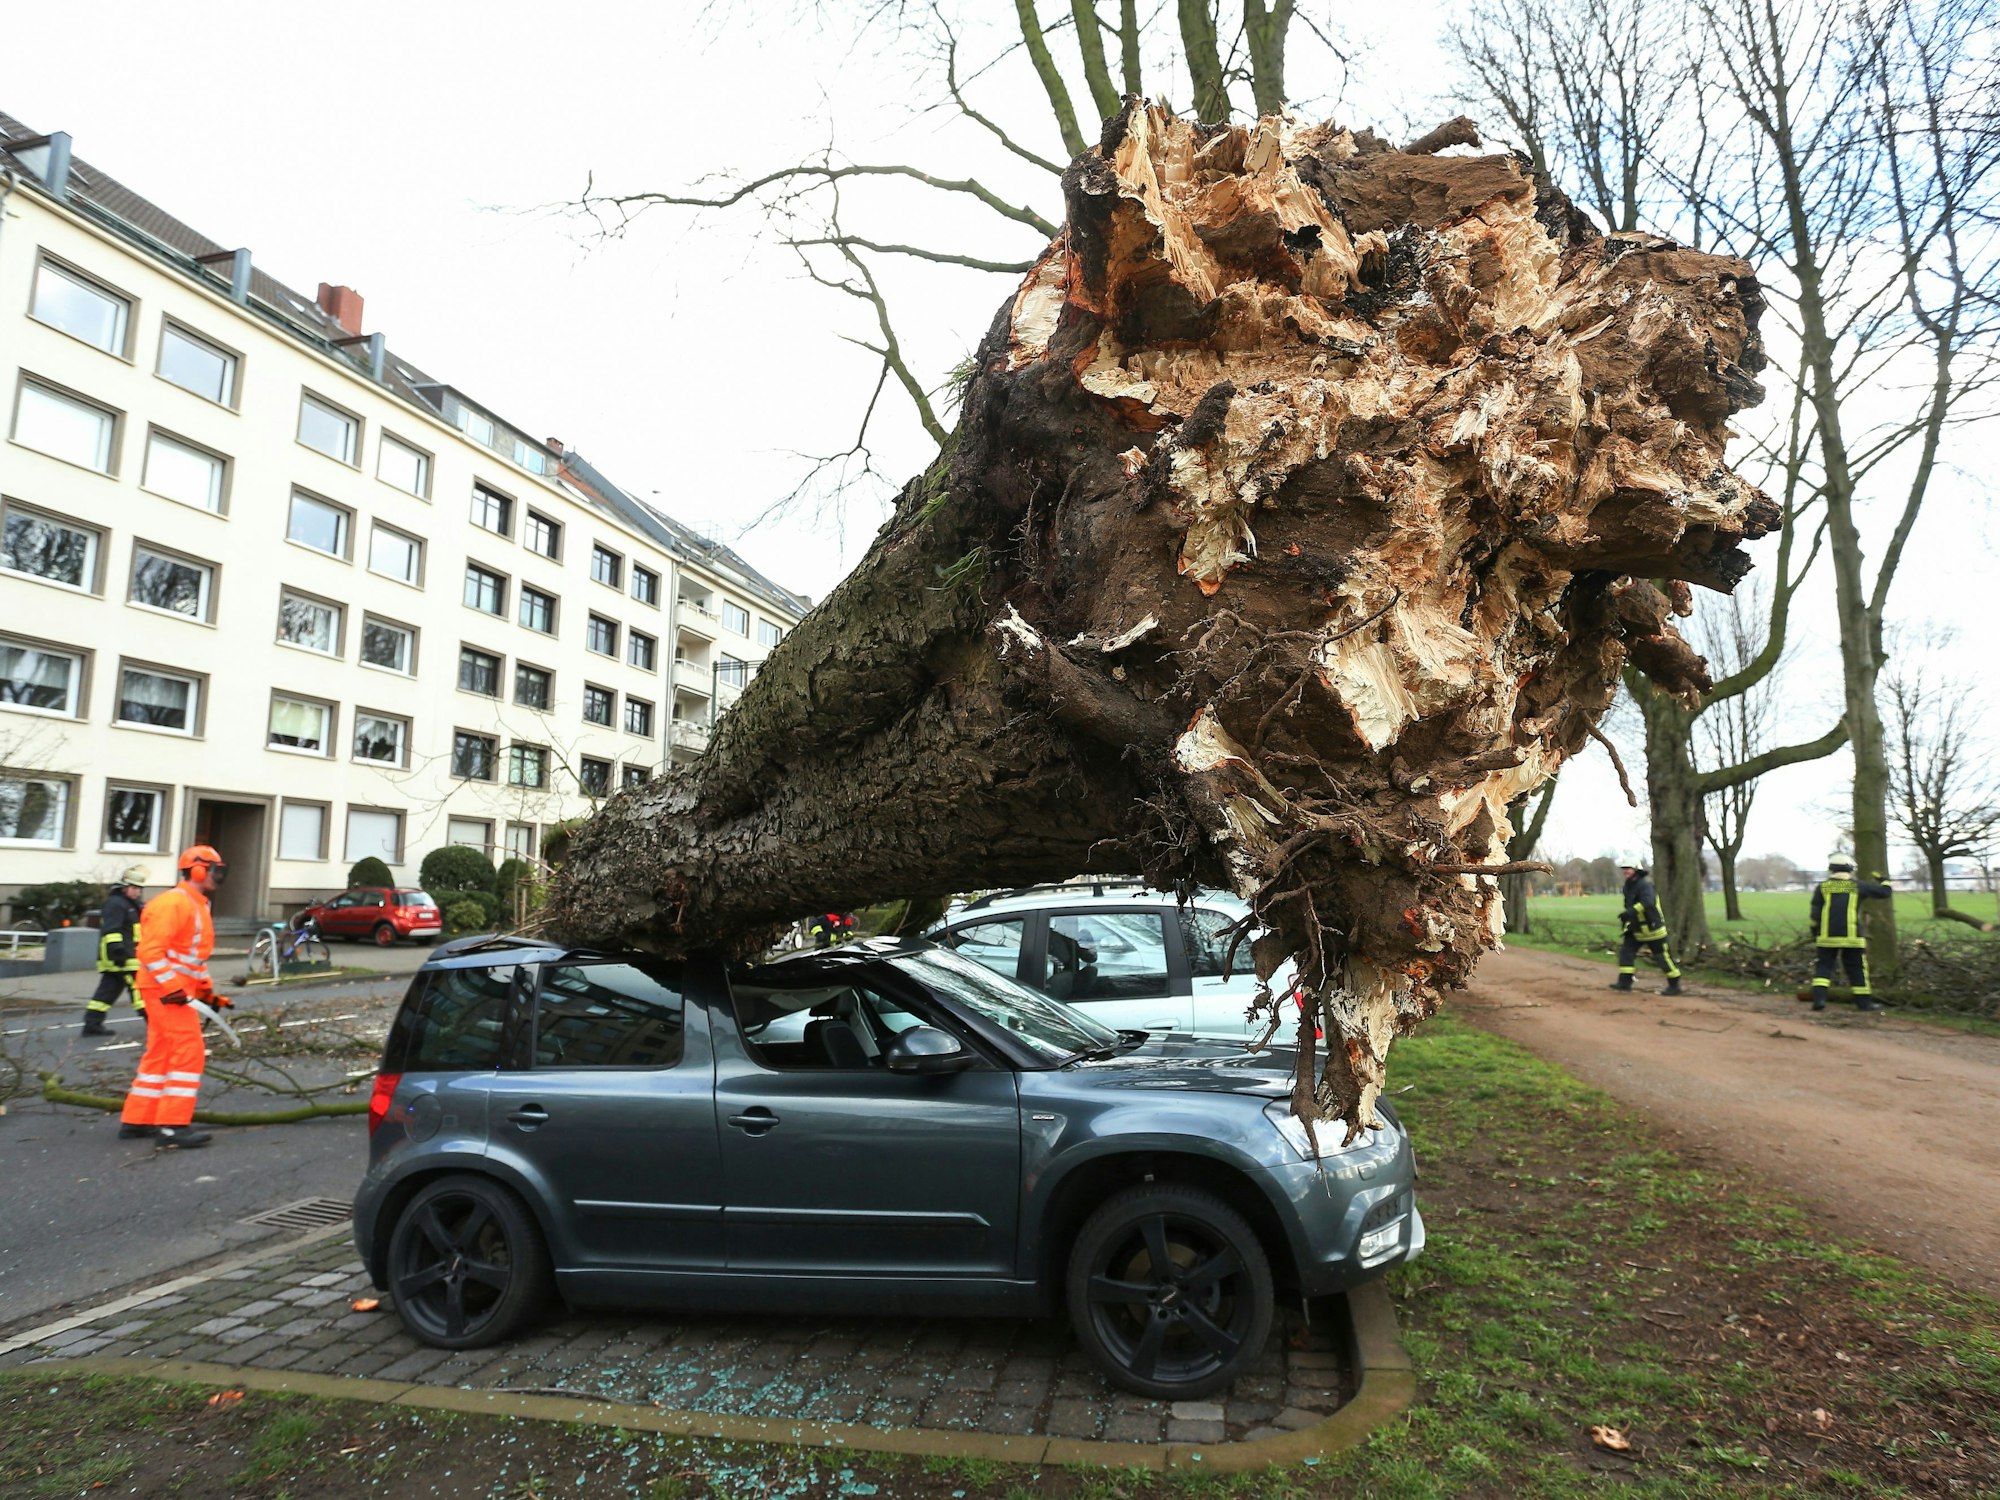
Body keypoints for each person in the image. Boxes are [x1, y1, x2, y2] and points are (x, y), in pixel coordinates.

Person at [117, 845, 231, 1148]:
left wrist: (206, 993)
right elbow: (150, 953)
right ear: (196, 870)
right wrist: (174, 989)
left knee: (162, 1051)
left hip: (171, 990)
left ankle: (138, 1119)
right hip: (166, 992)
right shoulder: (174, 904)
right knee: (188, 1051)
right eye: (213, 871)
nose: (217, 878)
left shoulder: (195, 904)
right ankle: (172, 1126)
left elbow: (192, 958)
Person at [1809, 855, 1893, 1012]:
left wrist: (1815, 933)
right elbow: (1885, 892)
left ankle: (1819, 1000)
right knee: (1857, 970)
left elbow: (1815, 913)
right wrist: (1884, 880)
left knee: (1823, 968)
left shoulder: (1822, 887)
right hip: (1852, 938)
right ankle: (1864, 1004)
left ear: (1831, 869)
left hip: (1827, 937)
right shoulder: (1857, 886)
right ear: (1850, 869)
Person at [83, 865, 149, 1037]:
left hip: (123, 956)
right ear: (124, 887)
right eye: (134, 888)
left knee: (107, 992)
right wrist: (117, 951)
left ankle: (92, 1024)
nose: (137, 892)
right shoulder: (116, 904)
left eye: (139, 889)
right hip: (120, 957)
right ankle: (154, 1022)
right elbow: (112, 930)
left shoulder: (131, 904)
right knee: (139, 989)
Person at [1609, 857, 1682, 995]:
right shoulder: (1628, 885)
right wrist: (1628, 918)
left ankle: (1675, 984)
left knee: (1662, 957)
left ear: (1636, 869)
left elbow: (1648, 902)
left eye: (1628, 868)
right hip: (1636, 928)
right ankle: (1624, 983)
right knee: (1626, 952)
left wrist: (1630, 912)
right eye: (1624, 869)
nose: (1625, 871)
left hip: (1653, 928)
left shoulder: (1645, 885)